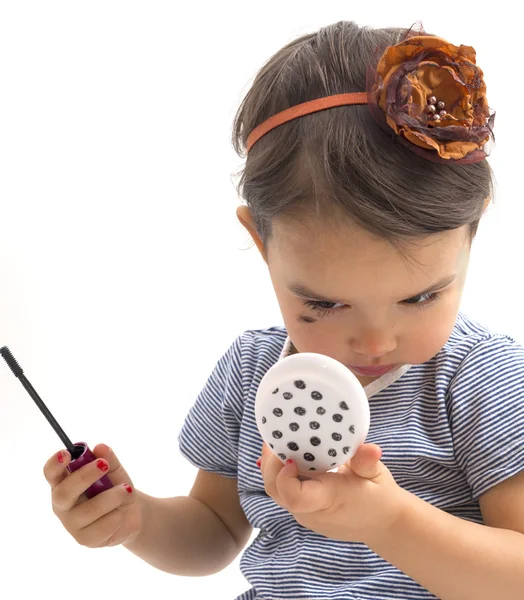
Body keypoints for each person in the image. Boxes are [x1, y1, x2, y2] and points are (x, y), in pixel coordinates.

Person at [43, 21, 524, 600]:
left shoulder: (482, 379)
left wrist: (387, 521)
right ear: (262, 242)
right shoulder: (252, 372)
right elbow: (215, 531)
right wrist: (134, 521)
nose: (375, 341)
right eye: (324, 303)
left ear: (471, 232)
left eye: (420, 298)